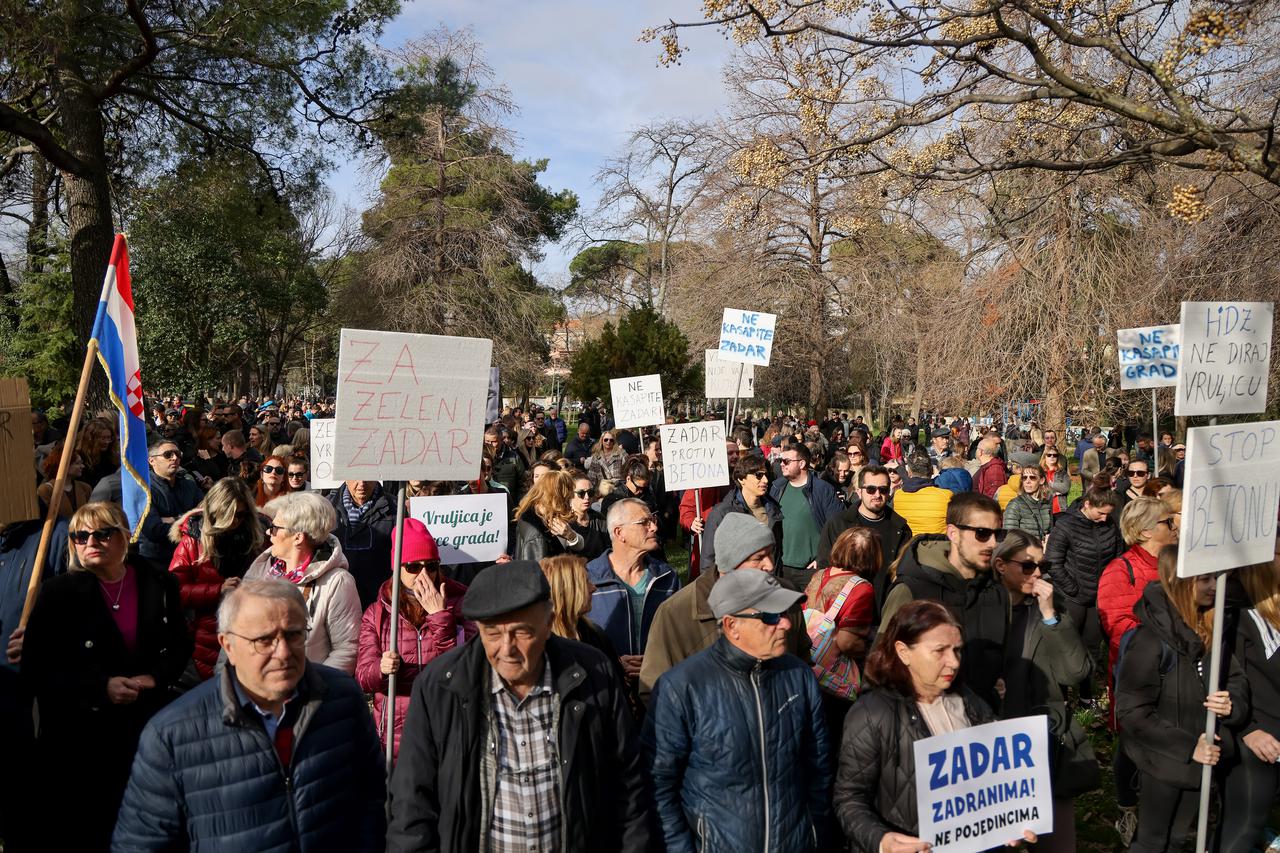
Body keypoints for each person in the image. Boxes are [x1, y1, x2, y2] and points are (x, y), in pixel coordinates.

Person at [386, 559, 651, 852]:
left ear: (549, 622)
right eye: (493, 634)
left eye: (522, 632)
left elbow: (628, 788)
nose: (507, 649)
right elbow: (412, 806)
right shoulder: (440, 687)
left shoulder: (593, 673)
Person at [111, 579, 386, 851]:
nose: (283, 653)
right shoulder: (171, 735)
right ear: (227, 645)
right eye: (264, 640)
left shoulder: (341, 699)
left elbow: (372, 798)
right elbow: (139, 844)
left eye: (293, 634)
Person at [21, 502, 190, 851]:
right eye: (80, 536)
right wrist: (101, 687)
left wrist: (154, 678)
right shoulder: (58, 594)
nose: (90, 542)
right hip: (81, 742)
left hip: (143, 731)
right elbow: (37, 668)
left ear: (125, 537)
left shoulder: (159, 583)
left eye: (102, 533)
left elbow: (179, 646)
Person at [644, 568, 832, 851]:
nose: (785, 624)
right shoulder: (682, 688)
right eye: (770, 616)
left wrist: (816, 837)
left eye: (784, 612)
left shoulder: (799, 676)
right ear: (732, 626)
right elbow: (658, 787)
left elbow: (819, 769)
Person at [834, 600, 1037, 852]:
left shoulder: (970, 701)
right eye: (940, 650)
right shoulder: (871, 714)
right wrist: (882, 840)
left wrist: (1010, 821)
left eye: (957, 650)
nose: (953, 662)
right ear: (903, 651)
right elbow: (849, 799)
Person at [1115, 546, 1247, 853]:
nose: (1214, 586)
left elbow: (1236, 679)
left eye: (1216, 577)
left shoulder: (1216, 627)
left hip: (1204, 758)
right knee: (1151, 841)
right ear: (1180, 580)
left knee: (1177, 839)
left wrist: (1232, 705)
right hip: (1161, 761)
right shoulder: (1149, 640)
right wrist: (1189, 747)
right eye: (1204, 579)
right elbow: (1131, 710)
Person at [992, 530, 1097, 853]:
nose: (1037, 573)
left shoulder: (1047, 609)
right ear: (1000, 565)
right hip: (994, 743)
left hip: (1045, 741)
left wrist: (1051, 616)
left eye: (1042, 565)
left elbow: (1077, 671)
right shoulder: (982, 608)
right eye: (1027, 566)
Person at [639, 514, 809, 702]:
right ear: (729, 565)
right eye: (758, 557)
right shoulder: (676, 613)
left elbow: (803, 665)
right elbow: (655, 688)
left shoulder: (786, 595)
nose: (769, 565)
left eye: (771, 553)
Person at [355, 518, 474, 762]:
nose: (423, 574)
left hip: (445, 726)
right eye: (412, 567)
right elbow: (364, 678)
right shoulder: (379, 612)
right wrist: (381, 669)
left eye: (431, 566)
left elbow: (465, 669)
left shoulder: (461, 603)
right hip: (397, 735)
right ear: (397, 568)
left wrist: (440, 618)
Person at [880, 492, 1010, 709]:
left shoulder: (997, 592)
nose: (993, 543)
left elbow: (1002, 658)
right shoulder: (910, 590)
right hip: (923, 728)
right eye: (982, 533)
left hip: (982, 727)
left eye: (999, 534)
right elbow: (881, 665)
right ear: (953, 533)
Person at [245, 491, 361, 674]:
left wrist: (311, 690)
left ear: (298, 537)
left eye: (275, 527)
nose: (269, 533)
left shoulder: (337, 582)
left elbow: (347, 650)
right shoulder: (261, 570)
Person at [168, 478, 265, 682]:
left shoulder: (257, 539)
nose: (234, 522)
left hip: (248, 635)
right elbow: (174, 590)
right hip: (204, 638)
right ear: (214, 513)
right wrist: (217, 590)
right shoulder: (192, 541)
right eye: (227, 515)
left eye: (240, 515)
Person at [1219, 552, 1280, 853]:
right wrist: (1248, 729)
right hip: (1257, 738)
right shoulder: (1236, 615)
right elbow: (1224, 680)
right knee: (1242, 828)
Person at [585, 497, 680, 687]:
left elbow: (680, 637)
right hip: (606, 690)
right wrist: (614, 663)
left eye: (652, 520)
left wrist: (656, 663)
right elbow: (576, 641)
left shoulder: (667, 577)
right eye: (644, 522)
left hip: (659, 689)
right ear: (619, 533)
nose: (654, 527)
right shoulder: (589, 579)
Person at [1044, 483, 1124, 704]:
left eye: (1108, 514)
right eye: (1100, 513)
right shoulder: (1066, 525)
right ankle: (1062, 698)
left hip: (1098, 597)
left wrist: (1108, 586)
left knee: (1091, 648)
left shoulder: (1109, 525)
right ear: (1087, 504)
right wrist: (1072, 588)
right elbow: (1053, 561)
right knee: (1067, 647)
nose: (1104, 519)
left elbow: (1118, 555)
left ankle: (1087, 697)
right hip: (1072, 598)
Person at [804, 526, 880, 741]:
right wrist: (869, 649)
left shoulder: (819, 575)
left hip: (809, 666)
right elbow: (846, 641)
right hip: (834, 680)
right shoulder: (861, 588)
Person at [818, 465, 913, 615]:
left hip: (884, 612)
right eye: (871, 489)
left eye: (883, 490)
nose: (877, 494)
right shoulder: (838, 524)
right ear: (859, 492)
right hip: (846, 613)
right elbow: (825, 567)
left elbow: (905, 573)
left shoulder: (901, 528)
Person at [771, 441, 843, 588]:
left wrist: (823, 558)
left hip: (811, 571)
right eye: (780, 461)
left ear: (802, 463)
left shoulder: (822, 490)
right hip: (781, 568)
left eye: (786, 461)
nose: (782, 464)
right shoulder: (776, 488)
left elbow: (838, 528)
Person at [702, 452, 784, 571]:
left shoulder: (773, 508)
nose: (765, 480)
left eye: (766, 475)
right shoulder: (722, 513)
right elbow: (708, 562)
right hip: (736, 585)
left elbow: (776, 553)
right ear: (741, 479)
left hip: (768, 583)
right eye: (758, 475)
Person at [327, 479, 395, 609]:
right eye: (355, 476)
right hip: (336, 600)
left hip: (380, 603)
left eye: (368, 477)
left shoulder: (395, 508)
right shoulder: (326, 506)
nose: (362, 483)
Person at [139, 437, 205, 571]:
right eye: (168, 454)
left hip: (192, 558)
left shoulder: (189, 485)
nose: (174, 458)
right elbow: (155, 530)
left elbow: (206, 516)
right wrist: (191, 517)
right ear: (152, 460)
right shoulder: (143, 489)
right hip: (157, 563)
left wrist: (173, 519)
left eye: (178, 454)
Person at [513, 468, 587, 561]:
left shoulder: (552, 517)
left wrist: (570, 535)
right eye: (568, 495)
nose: (571, 497)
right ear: (557, 497)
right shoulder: (536, 529)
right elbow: (538, 570)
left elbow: (579, 545)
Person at [891, 454, 953, 535]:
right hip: (937, 544)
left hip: (907, 545)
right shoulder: (946, 495)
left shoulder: (898, 495)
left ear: (909, 472)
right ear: (932, 471)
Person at [35, 445, 91, 518]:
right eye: (77, 463)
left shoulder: (85, 488)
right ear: (64, 465)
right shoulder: (45, 490)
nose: (82, 466)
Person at [1003, 464, 1052, 540]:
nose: (1027, 481)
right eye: (1024, 478)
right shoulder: (1015, 505)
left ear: (1042, 480)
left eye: (1032, 478)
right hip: (1023, 550)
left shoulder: (1046, 504)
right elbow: (1009, 537)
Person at [568, 471, 610, 560]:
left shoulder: (600, 519)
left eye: (590, 492)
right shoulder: (564, 523)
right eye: (581, 493)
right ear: (570, 494)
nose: (587, 497)